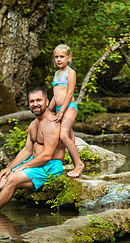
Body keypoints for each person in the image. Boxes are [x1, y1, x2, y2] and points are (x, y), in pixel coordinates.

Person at [48, 44, 84, 177]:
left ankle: (79, 164)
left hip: (69, 108)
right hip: (59, 108)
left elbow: (69, 94)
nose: (58, 59)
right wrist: (47, 111)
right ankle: (74, 165)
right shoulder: (57, 74)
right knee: (69, 137)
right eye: (56, 57)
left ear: (69, 58)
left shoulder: (70, 73)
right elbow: (55, 96)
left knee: (63, 135)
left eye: (61, 57)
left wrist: (61, 111)